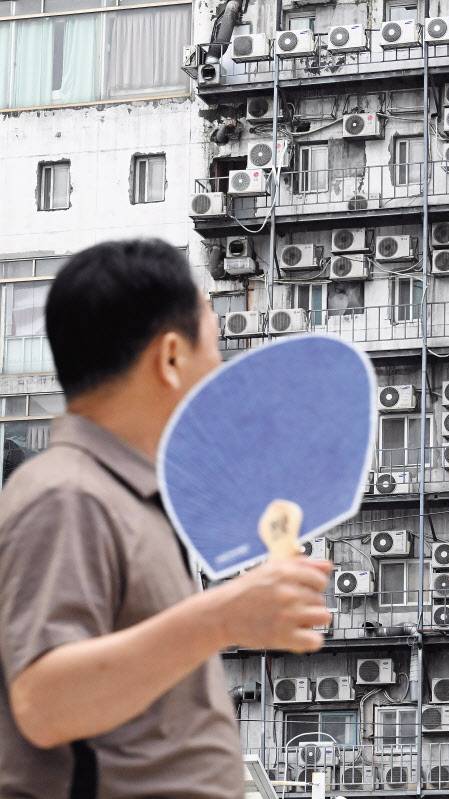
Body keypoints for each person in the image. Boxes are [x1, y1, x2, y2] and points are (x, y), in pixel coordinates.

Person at [0, 239, 332, 799]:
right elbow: (44, 703)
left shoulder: (124, 497)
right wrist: (223, 617)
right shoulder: (67, 494)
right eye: (215, 346)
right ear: (172, 357)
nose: (219, 371)